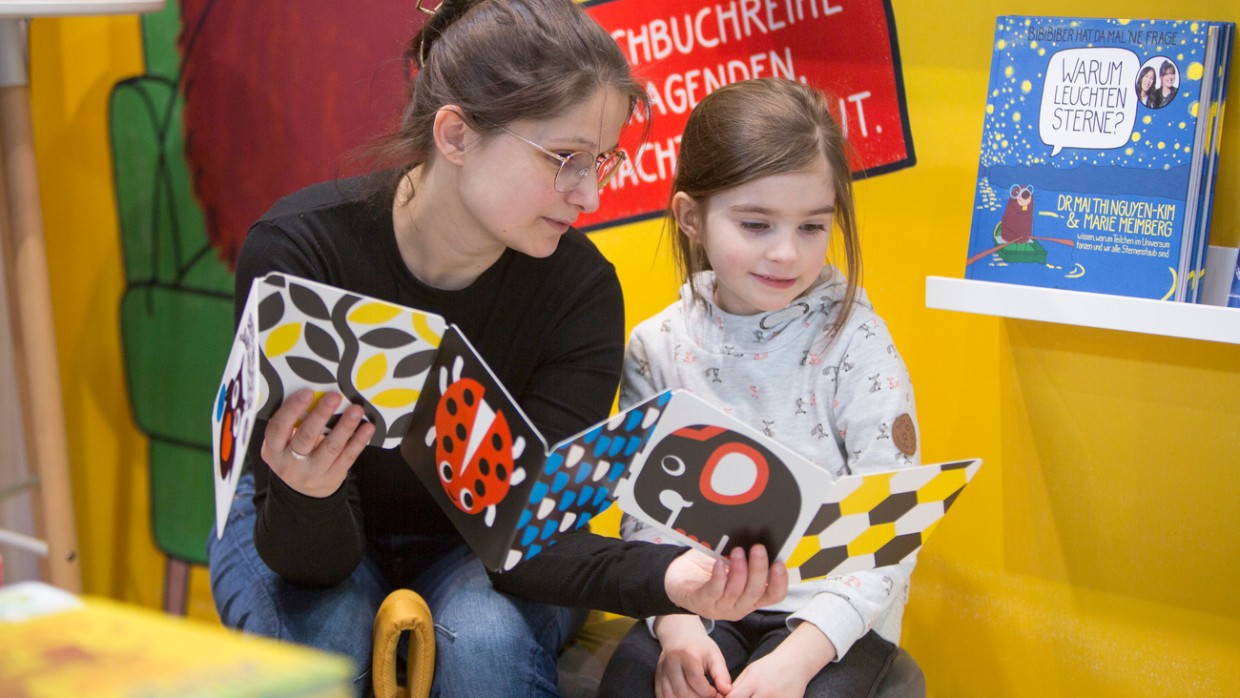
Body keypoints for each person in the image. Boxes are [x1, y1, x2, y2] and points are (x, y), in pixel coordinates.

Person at [206, 2, 788, 697]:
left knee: (485, 642)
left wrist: (671, 579)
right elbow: (313, 562)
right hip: (303, 523)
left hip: (493, 550)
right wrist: (308, 490)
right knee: (328, 642)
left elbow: (528, 539)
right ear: (455, 134)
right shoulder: (301, 253)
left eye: (601, 160)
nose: (591, 194)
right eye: (565, 159)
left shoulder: (581, 292)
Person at [599, 78, 921, 698]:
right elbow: (644, 518)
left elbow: (889, 530)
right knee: (633, 681)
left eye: (811, 227)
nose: (786, 254)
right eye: (756, 224)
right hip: (696, 600)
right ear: (691, 217)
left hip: (831, 618)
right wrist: (676, 628)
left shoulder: (859, 345)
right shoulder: (655, 348)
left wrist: (797, 660)